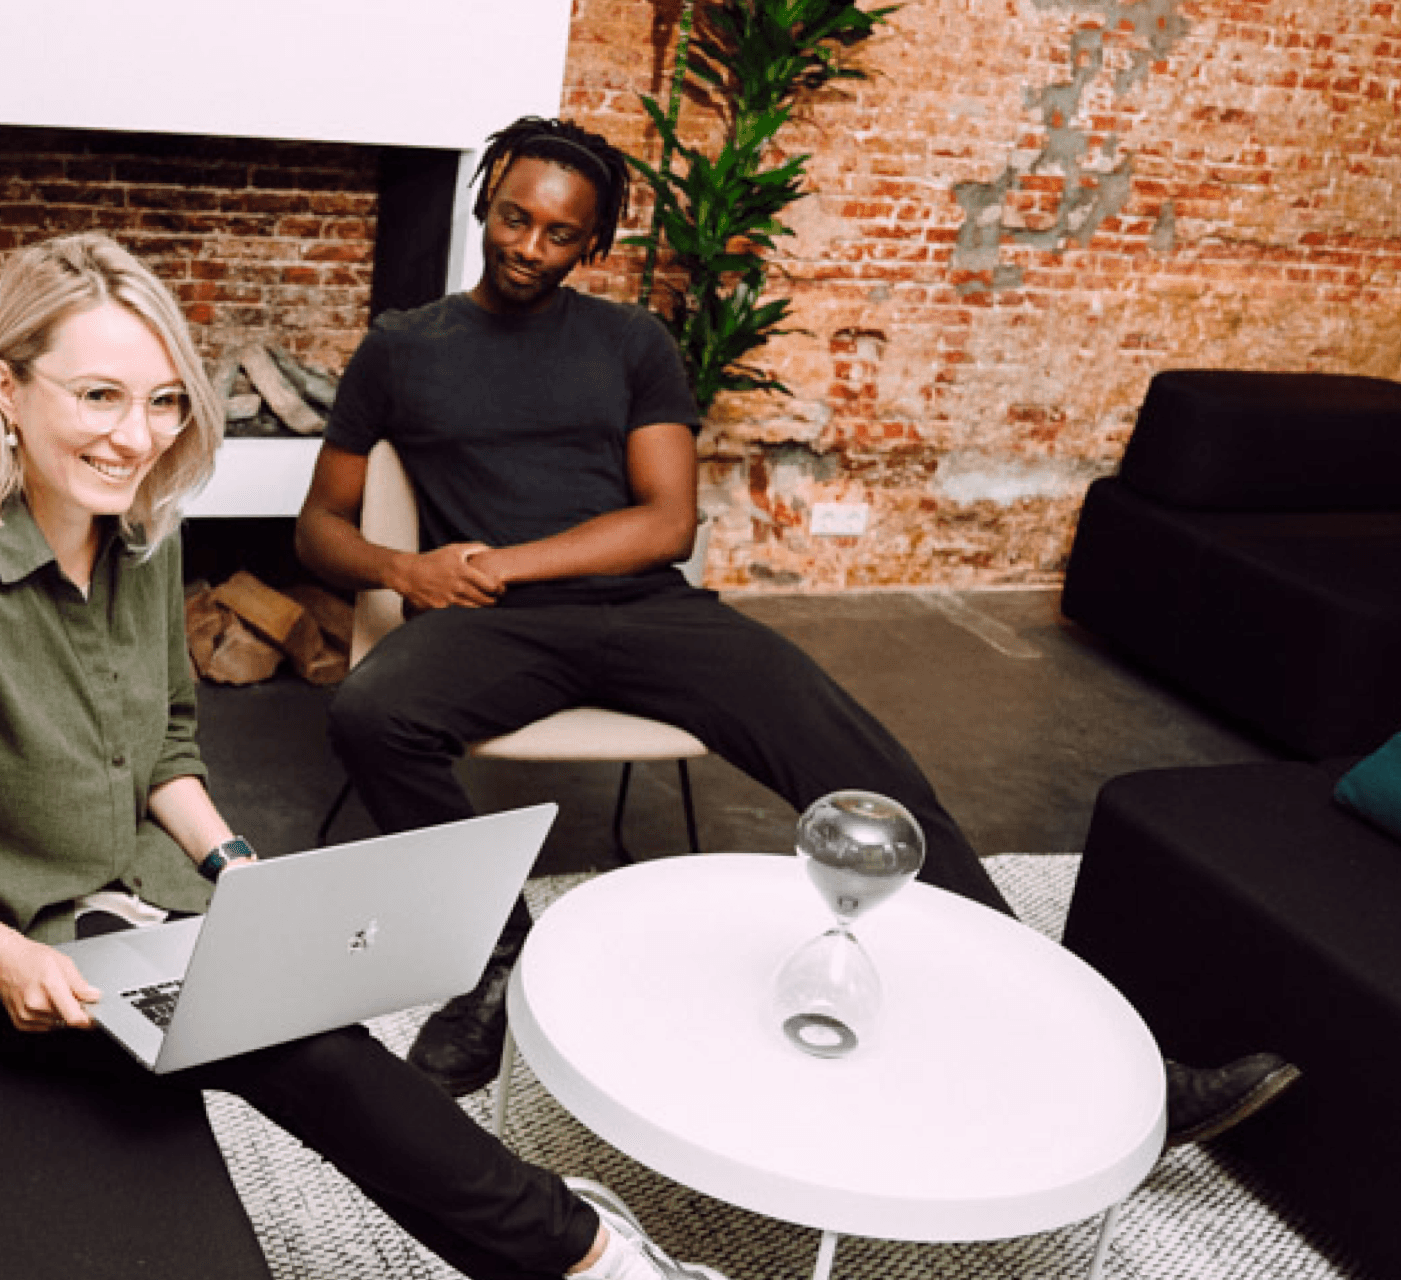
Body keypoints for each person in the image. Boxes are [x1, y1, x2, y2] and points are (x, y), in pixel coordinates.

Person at [293, 117, 1299, 1144]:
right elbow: (319, 528)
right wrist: (403, 568)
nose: (529, 247)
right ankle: (501, 960)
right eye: (515, 217)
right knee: (372, 713)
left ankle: (1119, 1072)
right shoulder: (402, 348)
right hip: (492, 629)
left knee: (875, 786)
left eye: (560, 233)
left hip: (646, 611)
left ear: (592, 244)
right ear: (484, 202)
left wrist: (507, 557)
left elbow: (666, 519)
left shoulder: (631, 343)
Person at [0, 232, 729, 1280]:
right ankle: (591, 1258)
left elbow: (166, 744)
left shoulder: (142, 535)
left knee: (308, 1005)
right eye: (99, 396)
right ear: (6, 387)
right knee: (301, 1041)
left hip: (117, 900)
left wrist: (230, 862)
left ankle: (563, 1250)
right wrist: (2, 955)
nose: (137, 438)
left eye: (165, 400)